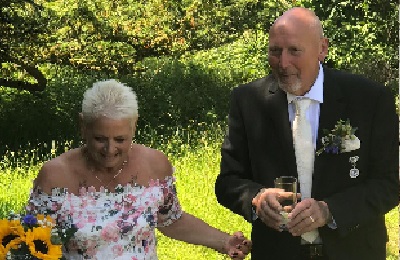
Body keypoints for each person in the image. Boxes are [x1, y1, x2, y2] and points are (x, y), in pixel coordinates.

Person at [215, 7, 398, 260]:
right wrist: (257, 199)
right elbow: (228, 182)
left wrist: (329, 211)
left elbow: (389, 184)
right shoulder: (248, 101)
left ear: (322, 49)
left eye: (294, 51)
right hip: (278, 253)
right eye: (275, 51)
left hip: (353, 251)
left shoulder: (369, 100)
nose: (283, 63)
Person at [27, 79, 252, 259]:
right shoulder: (55, 176)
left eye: (120, 139)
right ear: (82, 127)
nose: (110, 149)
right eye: (99, 138)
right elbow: (30, 246)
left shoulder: (155, 165)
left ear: (134, 127)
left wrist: (224, 242)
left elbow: (172, 219)